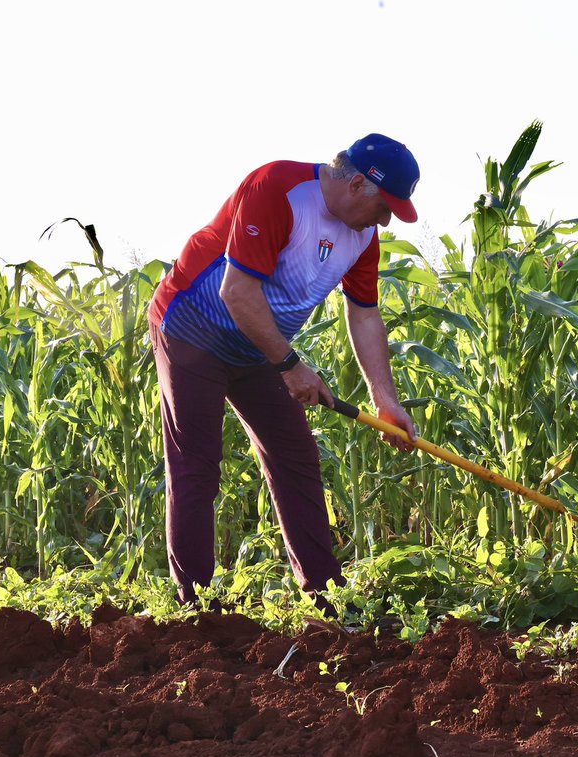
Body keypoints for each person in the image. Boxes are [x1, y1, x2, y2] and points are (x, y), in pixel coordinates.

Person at [147, 133, 420, 611]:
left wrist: (386, 398)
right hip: (192, 327)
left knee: (295, 457)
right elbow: (236, 293)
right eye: (385, 207)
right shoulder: (279, 188)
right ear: (357, 184)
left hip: (256, 346)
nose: (385, 219)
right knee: (197, 464)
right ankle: (195, 607)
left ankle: (325, 595)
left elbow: (364, 312)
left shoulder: (362, 236)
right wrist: (291, 365)